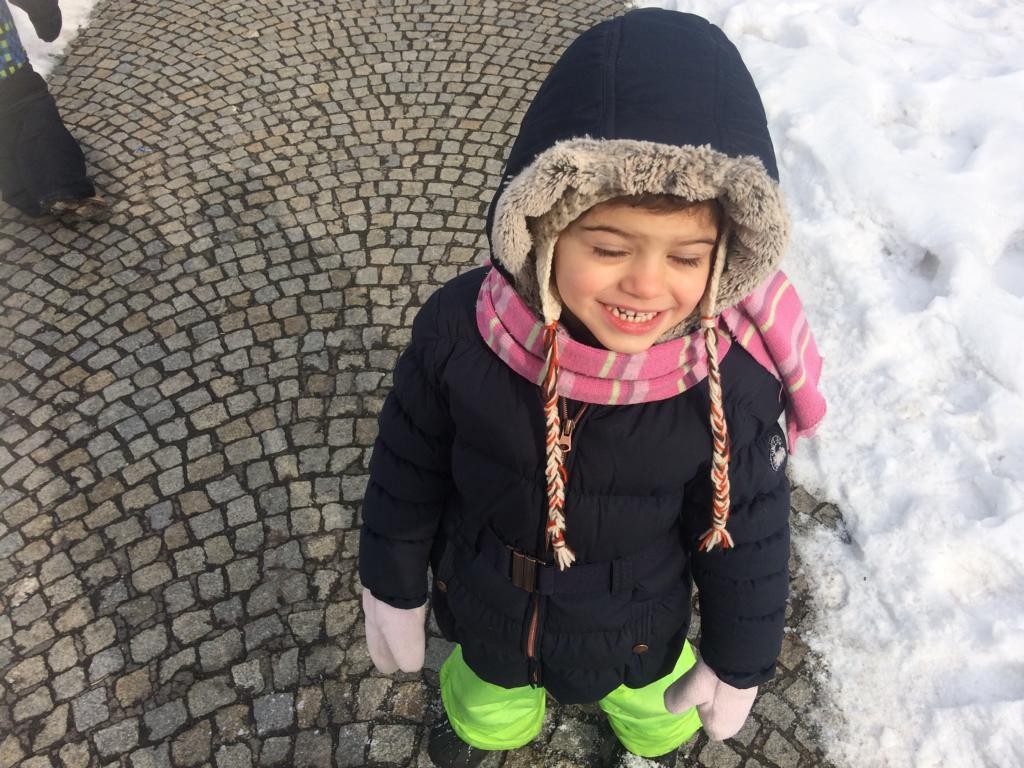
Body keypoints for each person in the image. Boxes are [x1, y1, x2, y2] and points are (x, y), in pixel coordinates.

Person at [358, 9, 826, 767]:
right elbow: (406, 468)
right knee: (488, 695)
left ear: (726, 256)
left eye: (687, 258)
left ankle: (654, 740)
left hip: (638, 626)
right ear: (544, 228)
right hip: (489, 605)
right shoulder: (463, 332)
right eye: (609, 247)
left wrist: (738, 656)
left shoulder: (726, 384)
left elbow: (747, 532)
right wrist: (392, 582)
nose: (646, 284)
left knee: (657, 708)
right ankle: (484, 727)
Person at [0, 0, 107, 220]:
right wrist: (46, 16)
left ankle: (24, 194)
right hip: (9, 68)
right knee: (34, 112)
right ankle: (62, 187)